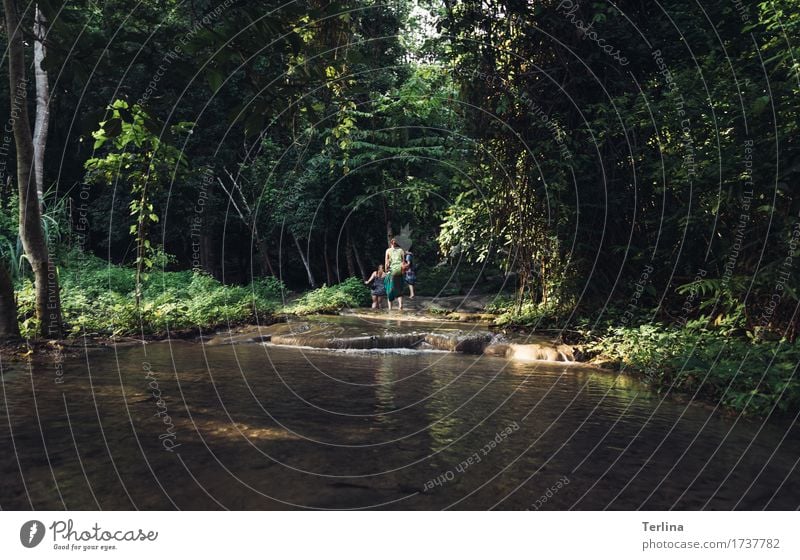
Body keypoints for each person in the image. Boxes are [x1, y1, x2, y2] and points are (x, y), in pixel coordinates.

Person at [383, 238, 405, 310]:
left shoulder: (388, 250)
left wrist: (386, 271)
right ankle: (400, 305)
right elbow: (403, 262)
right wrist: (403, 271)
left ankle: (390, 308)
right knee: (399, 289)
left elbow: (386, 262)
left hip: (392, 272)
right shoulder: (401, 250)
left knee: (390, 289)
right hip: (399, 271)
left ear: (391, 243)